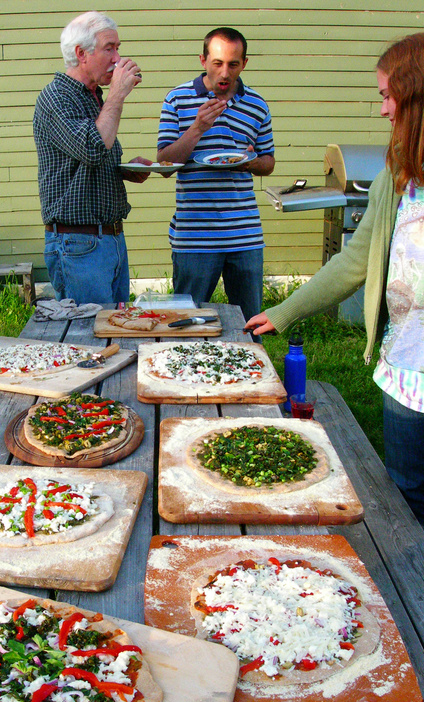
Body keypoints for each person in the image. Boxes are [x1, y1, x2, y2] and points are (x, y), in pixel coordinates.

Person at [244, 32, 424, 528]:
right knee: (408, 493)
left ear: (415, 97)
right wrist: (284, 311)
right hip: (410, 370)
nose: (383, 109)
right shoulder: (398, 174)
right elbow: (355, 260)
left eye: (389, 96)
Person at [157, 27, 275, 328]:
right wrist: (197, 127)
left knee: (250, 323)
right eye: (217, 63)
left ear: (244, 64)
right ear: (203, 60)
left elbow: (268, 162)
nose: (225, 72)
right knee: (185, 323)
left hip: (244, 233)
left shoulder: (257, 105)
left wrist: (249, 163)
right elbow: (166, 162)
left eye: (233, 64)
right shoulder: (177, 99)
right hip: (194, 235)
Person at [33, 11, 151, 305]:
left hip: (109, 238)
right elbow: (92, 148)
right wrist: (118, 95)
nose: (117, 57)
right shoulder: (56, 97)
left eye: (118, 48)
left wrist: (126, 169)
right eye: (109, 48)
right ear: (80, 54)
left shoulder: (93, 96)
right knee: (87, 339)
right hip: (78, 243)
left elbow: (90, 162)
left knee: (116, 333)